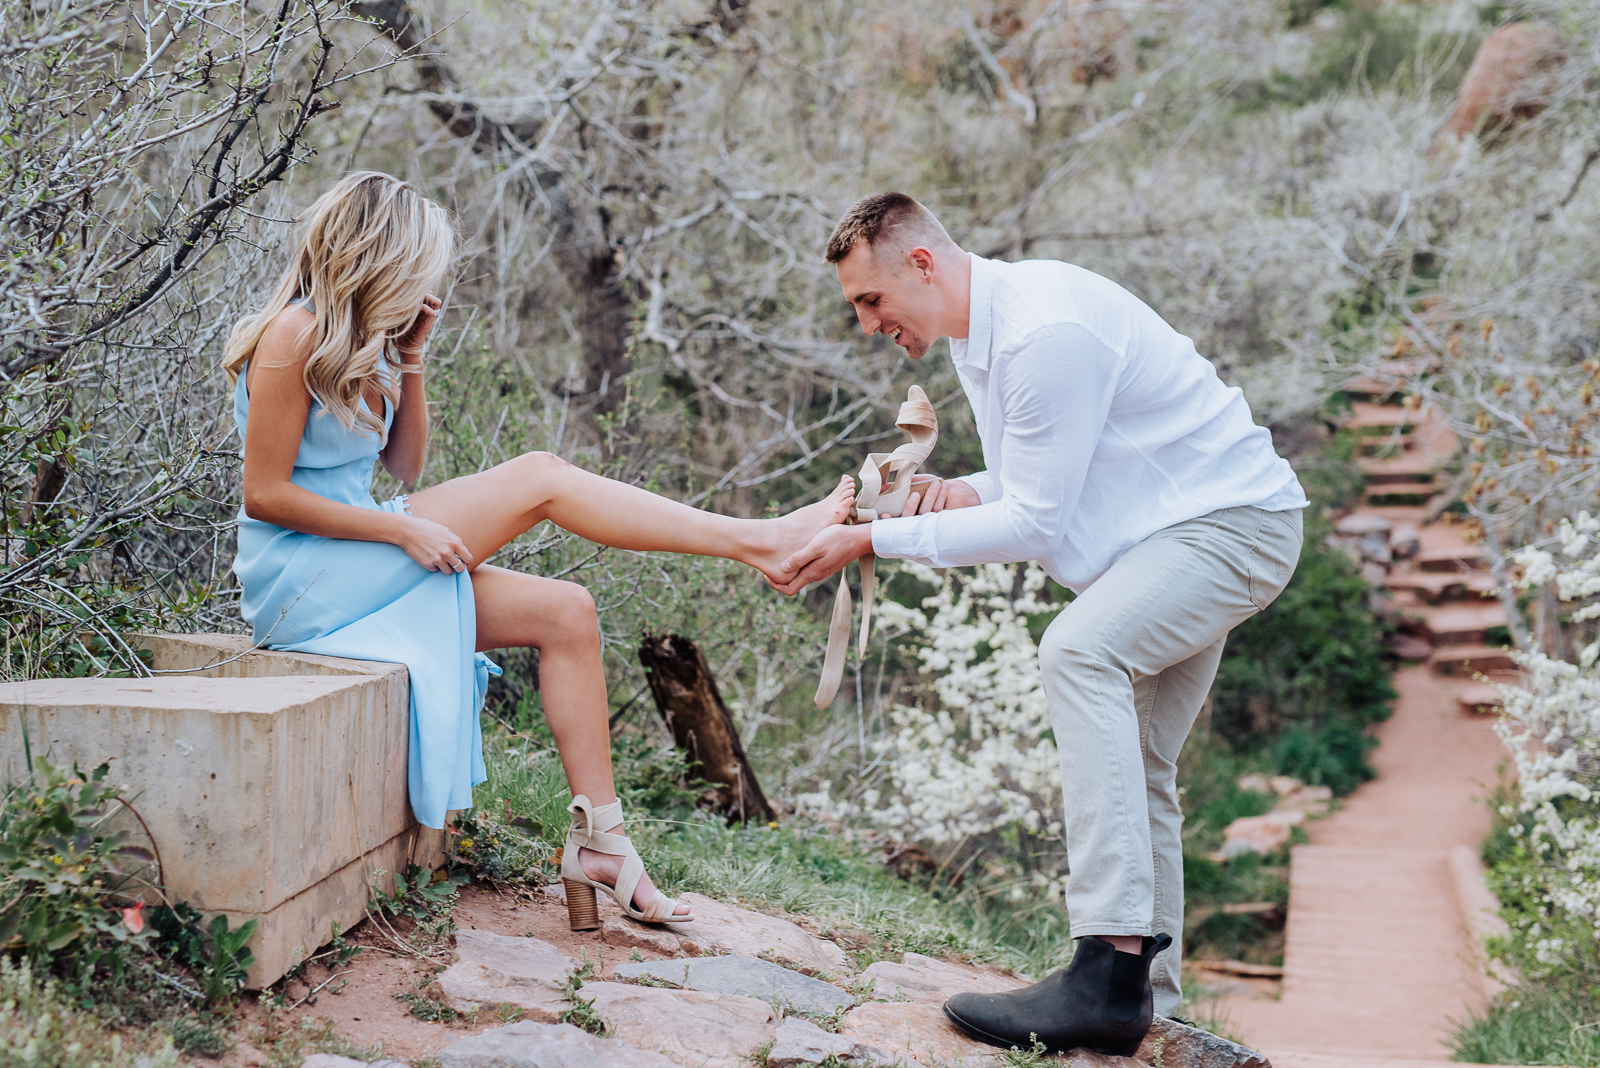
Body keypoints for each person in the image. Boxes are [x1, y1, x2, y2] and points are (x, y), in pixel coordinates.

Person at [223, 172, 854, 930]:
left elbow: (403, 471)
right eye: (422, 263)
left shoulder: (372, 345)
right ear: (379, 255)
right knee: (541, 478)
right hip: (300, 575)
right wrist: (402, 529)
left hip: (358, 552)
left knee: (567, 611)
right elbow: (265, 495)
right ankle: (764, 541)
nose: (430, 281)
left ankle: (603, 846)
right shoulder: (293, 335)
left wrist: (413, 359)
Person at [774, 193, 1307, 1055]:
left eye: (869, 301)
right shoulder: (984, 336)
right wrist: (957, 493)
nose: (867, 324)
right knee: (1140, 757)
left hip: (1231, 527)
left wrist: (872, 537)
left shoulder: (1039, 334)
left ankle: (1105, 965)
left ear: (922, 263)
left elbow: (1037, 526)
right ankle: (1144, 1003)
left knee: (1078, 651)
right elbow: (1039, 476)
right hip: (1183, 529)